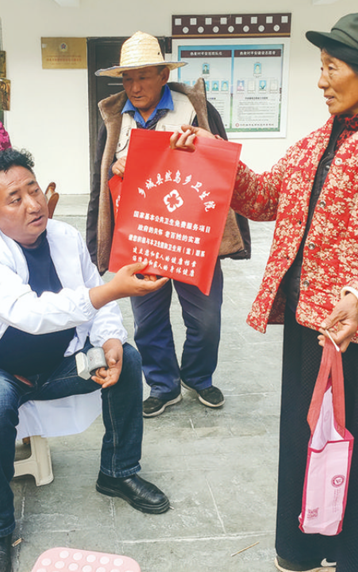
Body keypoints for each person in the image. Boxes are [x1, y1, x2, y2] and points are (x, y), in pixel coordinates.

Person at [170, 13, 358, 572]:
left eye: (332, 68)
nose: (321, 80)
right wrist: (210, 152)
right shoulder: (314, 144)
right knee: (307, 445)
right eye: (321, 67)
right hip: (312, 328)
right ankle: (305, 548)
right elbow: (263, 197)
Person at [0, 149, 171, 572]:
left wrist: (111, 338)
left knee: (128, 361)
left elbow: (93, 295)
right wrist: (113, 289)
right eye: (15, 199)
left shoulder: (64, 237)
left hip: (58, 365)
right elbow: (33, 314)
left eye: (34, 189)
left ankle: (118, 472)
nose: (33, 204)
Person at [87, 31, 250, 418]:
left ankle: (198, 376)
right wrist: (115, 171)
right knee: (148, 321)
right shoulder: (115, 119)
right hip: (142, 236)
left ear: (164, 74)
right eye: (128, 78)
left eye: (144, 76)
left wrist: (202, 146)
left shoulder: (194, 110)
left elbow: (223, 166)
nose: (135, 87)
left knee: (206, 319)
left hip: (192, 235)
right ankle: (163, 385)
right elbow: (100, 178)